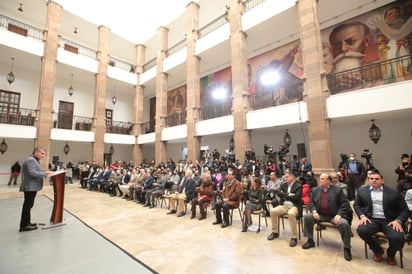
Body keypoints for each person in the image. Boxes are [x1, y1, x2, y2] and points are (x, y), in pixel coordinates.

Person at [354, 171, 409, 266]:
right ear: (368, 180)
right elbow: (357, 205)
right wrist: (362, 216)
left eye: (377, 179)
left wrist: (398, 220)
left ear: (382, 181)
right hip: (372, 220)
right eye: (371, 179)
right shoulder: (362, 191)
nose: (374, 180)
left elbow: (404, 210)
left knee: (398, 238)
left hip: (389, 221)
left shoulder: (394, 192)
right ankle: (377, 250)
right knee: (361, 230)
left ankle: (390, 254)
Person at [301, 173, 352, 261]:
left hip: (334, 215)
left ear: (329, 181)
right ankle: (310, 240)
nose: (320, 180)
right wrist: (314, 211)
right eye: (320, 179)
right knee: (307, 217)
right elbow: (311, 203)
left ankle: (347, 248)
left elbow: (344, 204)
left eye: (323, 179)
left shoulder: (337, 190)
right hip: (320, 215)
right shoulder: (316, 190)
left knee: (344, 224)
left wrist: (339, 214)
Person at [19, 147, 54, 232]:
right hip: (30, 186)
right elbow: (32, 173)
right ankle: (24, 226)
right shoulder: (31, 160)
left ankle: (27, 222)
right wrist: (46, 173)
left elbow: (35, 171)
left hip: (32, 187)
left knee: (29, 205)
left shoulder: (34, 160)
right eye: (42, 154)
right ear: (36, 152)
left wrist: (45, 172)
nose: (43, 156)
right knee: (27, 206)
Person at [267, 171, 302, 247]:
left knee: (291, 213)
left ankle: (294, 237)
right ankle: (275, 232)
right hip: (284, 206)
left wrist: (285, 195)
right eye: (285, 177)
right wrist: (289, 195)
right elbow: (279, 193)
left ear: (292, 177)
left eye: (287, 177)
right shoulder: (283, 185)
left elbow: (297, 197)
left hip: (294, 206)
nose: (285, 178)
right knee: (273, 211)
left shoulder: (298, 186)